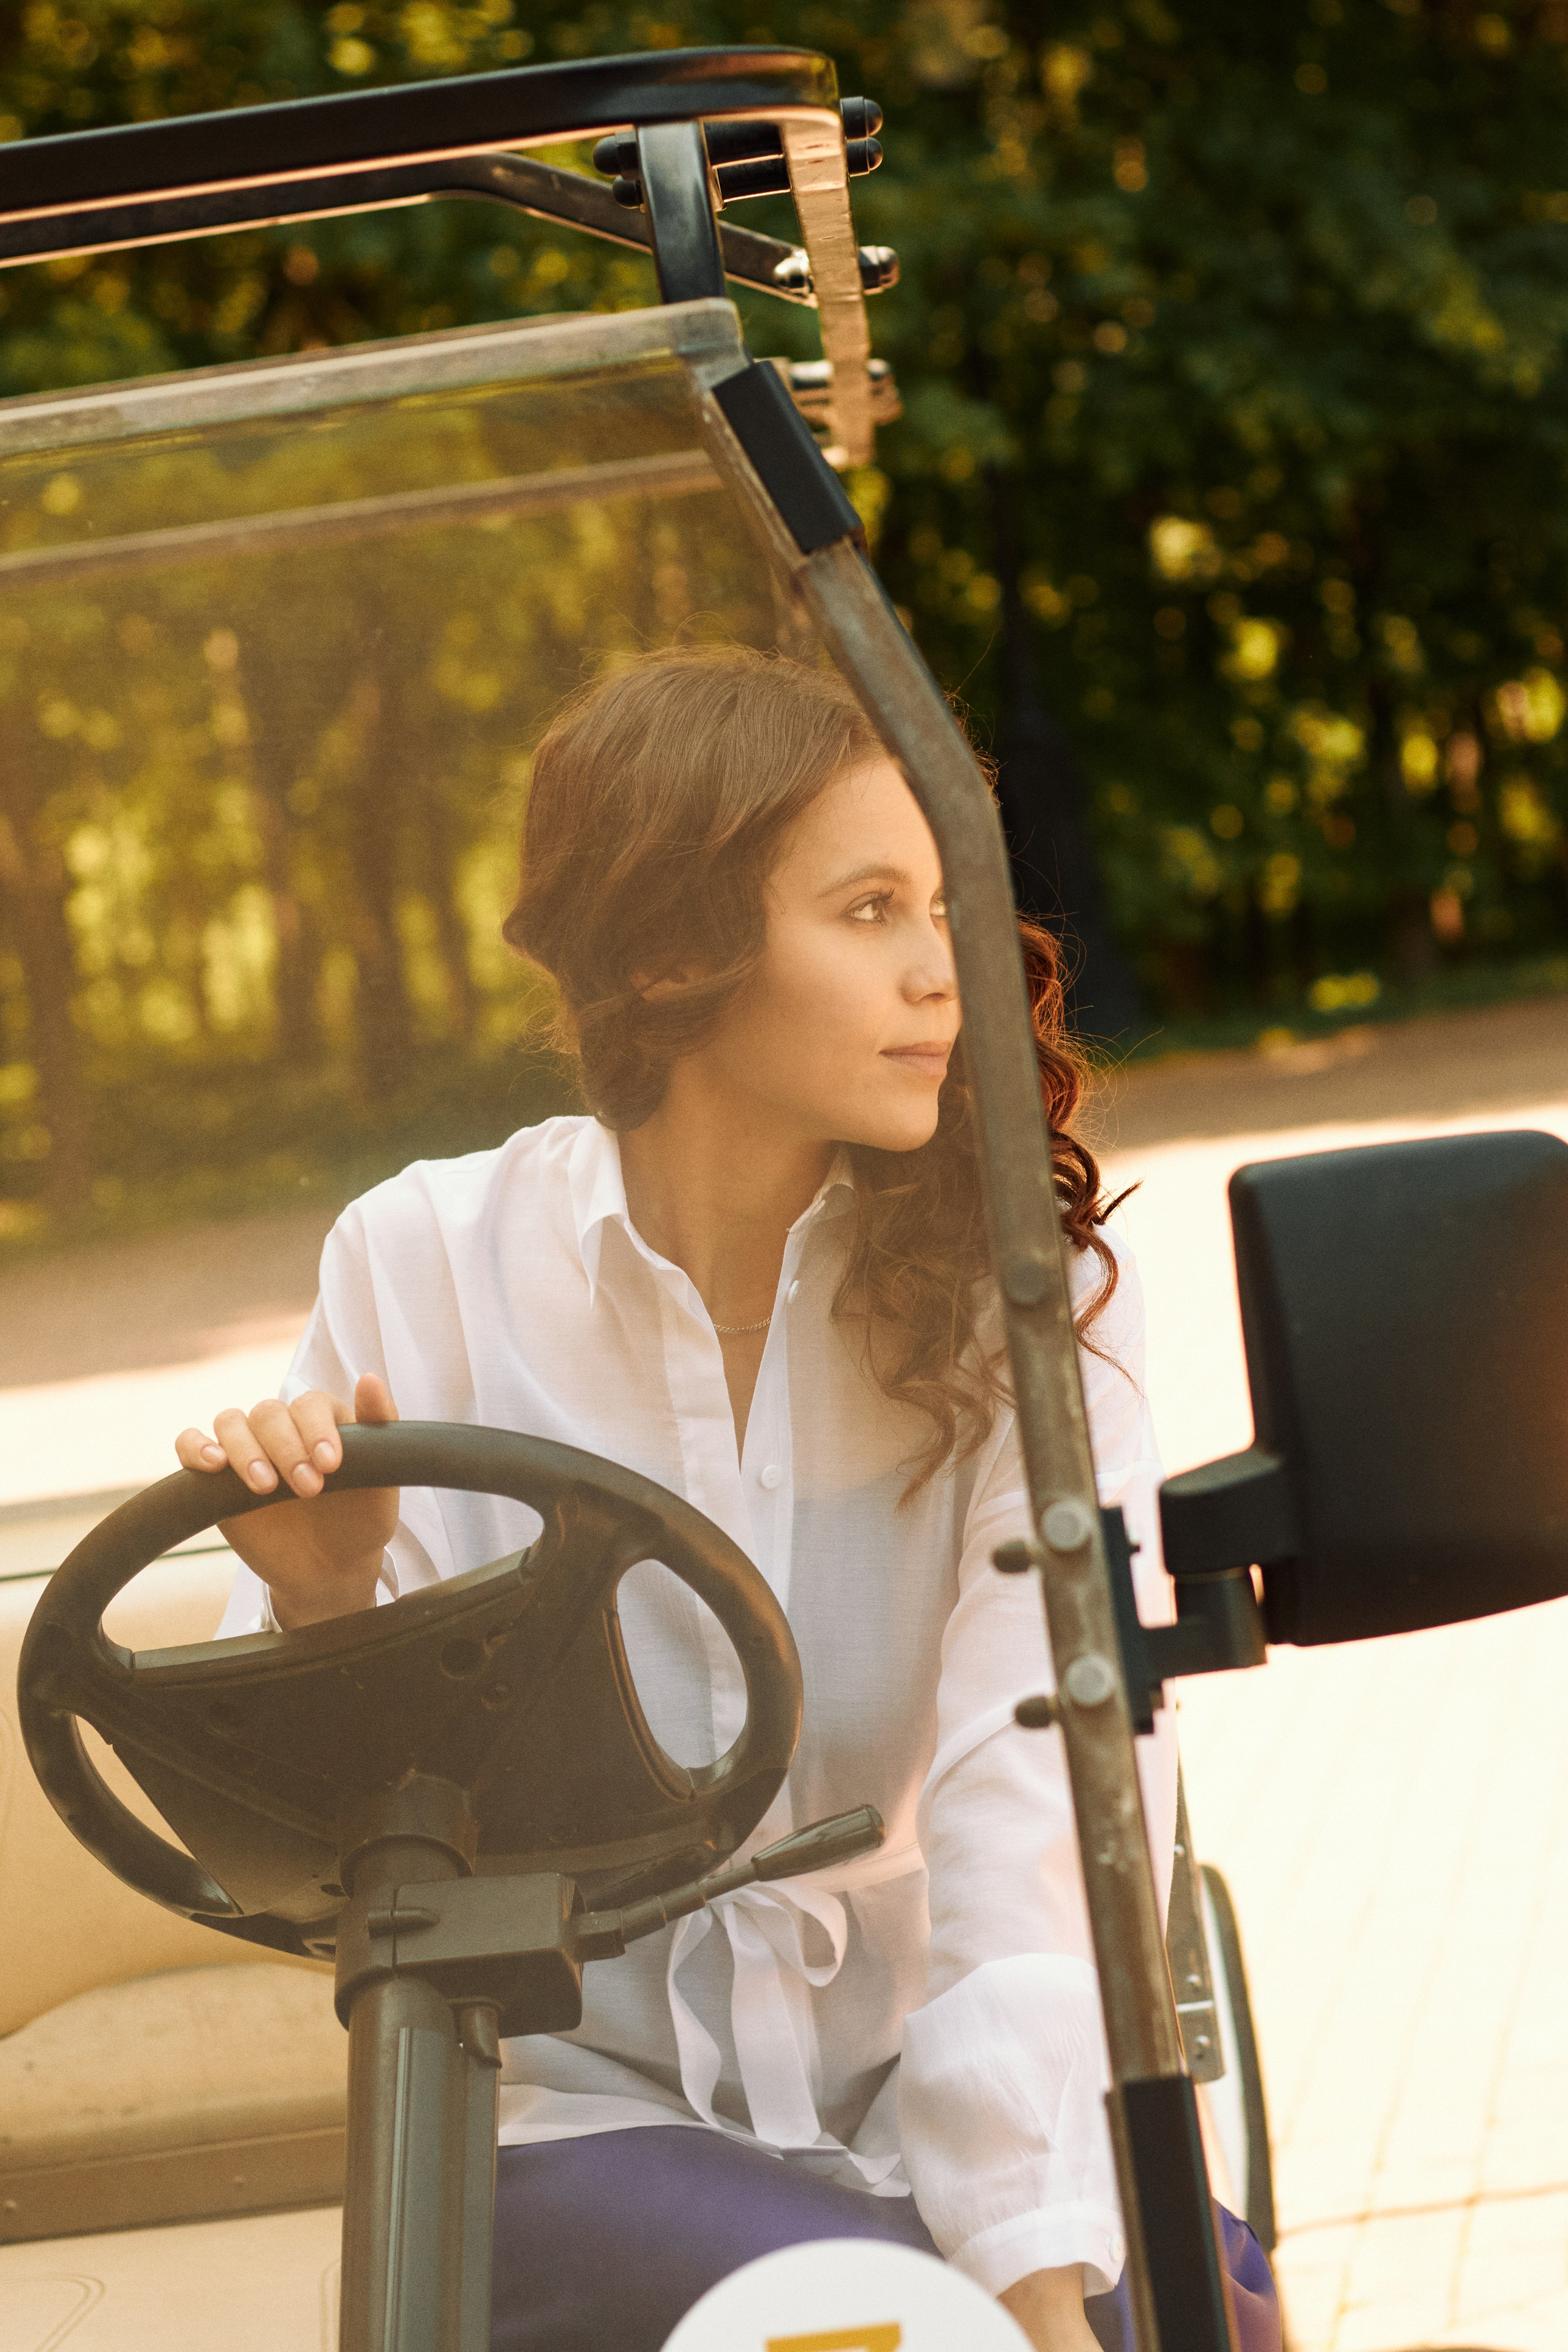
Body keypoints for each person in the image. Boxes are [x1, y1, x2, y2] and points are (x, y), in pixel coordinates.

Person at [183, 646, 1281, 2352]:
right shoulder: (421, 1266)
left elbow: (1034, 1792)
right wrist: (328, 1602)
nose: (944, 972)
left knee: (1186, 2314)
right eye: (867, 912)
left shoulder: (1029, 1289)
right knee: (880, 2330)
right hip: (587, 2128)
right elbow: (308, 1859)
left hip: (950, 2069)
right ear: (674, 951)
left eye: (943, 905)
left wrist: (1041, 2282)